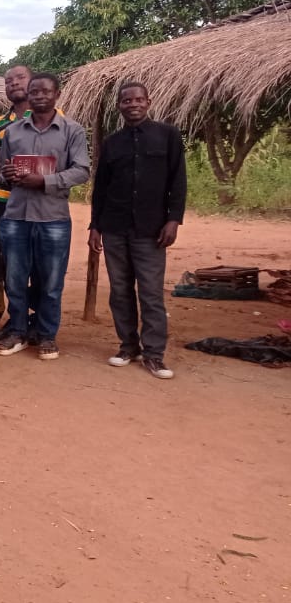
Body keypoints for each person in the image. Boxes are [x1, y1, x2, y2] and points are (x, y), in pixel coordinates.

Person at [89, 82, 186, 380]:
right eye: (127, 100)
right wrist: (95, 225)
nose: (133, 104)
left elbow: (178, 180)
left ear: (148, 102)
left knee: (151, 293)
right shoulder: (113, 143)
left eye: (138, 99)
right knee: (119, 291)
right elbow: (101, 188)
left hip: (152, 228)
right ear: (119, 105)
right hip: (115, 227)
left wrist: (174, 220)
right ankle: (128, 346)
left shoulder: (167, 135)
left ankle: (154, 354)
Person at [0, 72, 91, 361]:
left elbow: (82, 170)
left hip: (53, 217)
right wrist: (8, 174)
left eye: (45, 92)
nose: (38, 96)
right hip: (16, 215)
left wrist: (45, 181)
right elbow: (2, 169)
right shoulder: (13, 131)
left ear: (56, 95)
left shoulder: (72, 130)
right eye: (34, 91)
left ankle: (47, 335)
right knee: (14, 278)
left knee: (51, 281)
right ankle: (19, 331)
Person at [0, 65, 42, 334]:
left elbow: (56, 163)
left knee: (40, 265)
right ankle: (18, 319)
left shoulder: (51, 117)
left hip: (41, 202)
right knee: (12, 266)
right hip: (4, 201)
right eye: (8, 81)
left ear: (33, 82)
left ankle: (38, 318)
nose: (13, 84)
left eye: (20, 78)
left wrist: (28, 174)